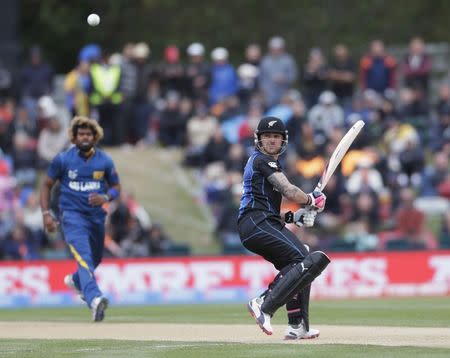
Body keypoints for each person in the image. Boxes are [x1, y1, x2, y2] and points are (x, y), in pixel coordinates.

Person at [237, 116, 330, 339]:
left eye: (275, 137)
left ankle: (297, 325)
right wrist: (309, 200)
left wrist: (294, 216)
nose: (271, 140)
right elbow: (288, 190)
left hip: (261, 222)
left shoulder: (265, 164)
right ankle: (263, 303)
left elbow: (268, 208)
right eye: (266, 136)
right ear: (258, 140)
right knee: (302, 260)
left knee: (302, 258)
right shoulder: (261, 160)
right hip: (255, 223)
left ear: (283, 141)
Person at [40, 116, 121, 322]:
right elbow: (46, 185)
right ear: (74, 138)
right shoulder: (63, 159)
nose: (85, 137)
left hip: (96, 218)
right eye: (81, 134)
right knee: (84, 258)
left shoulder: (104, 160)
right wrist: (46, 213)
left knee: (95, 260)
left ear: (95, 137)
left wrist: (105, 197)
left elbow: (116, 187)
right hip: (72, 217)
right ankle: (95, 299)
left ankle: (77, 281)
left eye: (88, 134)